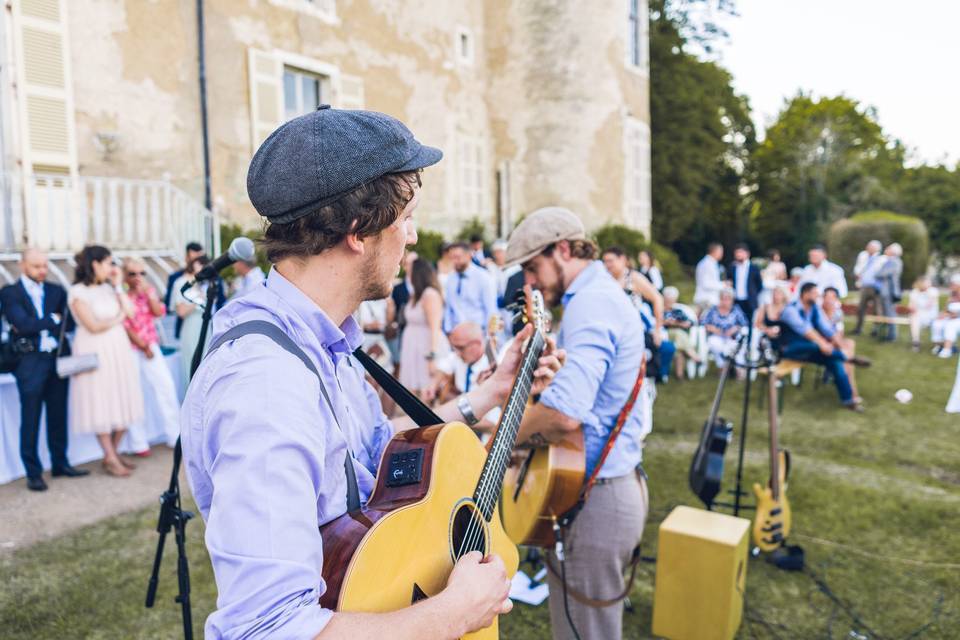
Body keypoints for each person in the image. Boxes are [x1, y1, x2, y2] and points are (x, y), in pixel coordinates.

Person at [180, 105, 563, 639]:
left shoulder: (324, 344)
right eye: (406, 218)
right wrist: (456, 613)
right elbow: (266, 630)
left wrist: (494, 389)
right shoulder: (266, 387)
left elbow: (383, 454)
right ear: (360, 229)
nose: (412, 237)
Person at [505, 206, 647, 640]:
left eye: (533, 267)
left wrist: (502, 437)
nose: (531, 282)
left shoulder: (592, 301)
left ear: (562, 250)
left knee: (586, 632)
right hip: (591, 490)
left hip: (599, 497)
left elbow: (566, 413)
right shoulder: (593, 297)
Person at [0, 248, 89, 491]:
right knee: (30, 418)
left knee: (58, 415)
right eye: (37, 266)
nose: (42, 270)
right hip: (29, 362)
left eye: (45, 266)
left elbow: (69, 322)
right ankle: (33, 472)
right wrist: (53, 320)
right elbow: (23, 324)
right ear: (22, 265)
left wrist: (47, 322)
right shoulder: (10, 293)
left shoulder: (56, 290)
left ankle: (60, 464)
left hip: (57, 359)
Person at [68, 246, 144, 477]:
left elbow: (131, 313)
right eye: (109, 262)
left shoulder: (110, 289)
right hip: (94, 351)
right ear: (95, 264)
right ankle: (110, 457)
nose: (113, 267)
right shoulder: (77, 292)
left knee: (123, 398)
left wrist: (118, 286)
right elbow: (92, 325)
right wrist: (118, 317)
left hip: (118, 350)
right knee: (100, 402)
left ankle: (114, 452)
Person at [122, 258, 181, 453]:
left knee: (165, 388)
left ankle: (175, 435)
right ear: (125, 276)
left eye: (142, 273)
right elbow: (123, 324)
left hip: (152, 345)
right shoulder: (121, 296)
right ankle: (138, 443)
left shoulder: (148, 292)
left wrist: (148, 294)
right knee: (134, 395)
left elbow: (159, 313)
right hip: (131, 349)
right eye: (133, 274)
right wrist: (141, 345)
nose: (138, 277)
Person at [779, 282, 868, 411]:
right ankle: (848, 358)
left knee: (834, 361)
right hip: (790, 348)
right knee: (816, 345)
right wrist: (822, 344)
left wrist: (839, 344)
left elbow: (826, 329)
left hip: (811, 350)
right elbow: (805, 330)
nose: (818, 297)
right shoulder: (791, 309)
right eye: (815, 294)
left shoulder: (814, 309)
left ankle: (849, 401)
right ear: (805, 294)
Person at [601, 246, 668, 380]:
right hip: (611, 332)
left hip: (633, 332)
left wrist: (657, 329)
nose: (607, 264)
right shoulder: (604, 280)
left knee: (636, 374)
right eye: (604, 261)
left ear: (622, 259)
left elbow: (657, 299)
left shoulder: (634, 278)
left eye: (610, 260)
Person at [399, 258, 446, 399]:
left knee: (427, 392)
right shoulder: (415, 295)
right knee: (413, 392)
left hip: (426, 346)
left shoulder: (430, 295)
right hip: (412, 347)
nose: (407, 272)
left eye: (410, 270)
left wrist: (432, 356)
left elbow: (435, 327)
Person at [441, 241, 498, 334]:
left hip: (479, 333)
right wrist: (448, 331)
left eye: (458, 257)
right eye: (452, 258)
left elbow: (491, 309)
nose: (454, 261)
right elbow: (449, 308)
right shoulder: (451, 278)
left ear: (469, 255)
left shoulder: (484, 277)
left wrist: (490, 336)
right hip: (456, 333)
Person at [172, 255, 211, 385]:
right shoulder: (181, 283)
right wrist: (198, 299)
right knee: (191, 364)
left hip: (207, 327)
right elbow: (181, 312)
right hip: (191, 327)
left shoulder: (206, 283)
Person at [822, 286, 862, 402]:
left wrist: (838, 343)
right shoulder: (818, 312)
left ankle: (850, 388)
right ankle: (852, 392)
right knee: (848, 356)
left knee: (850, 344)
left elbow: (840, 332)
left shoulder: (838, 313)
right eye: (827, 297)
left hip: (835, 342)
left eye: (832, 297)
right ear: (823, 298)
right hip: (823, 344)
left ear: (836, 299)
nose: (829, 300)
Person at [701, 288, 749, 373]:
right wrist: (713, 328)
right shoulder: (713, 310)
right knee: (714, 344)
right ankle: (723, 366)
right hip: (717, 336)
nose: (725, 301)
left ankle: (738, 369)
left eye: (727, 299)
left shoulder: (736, 310)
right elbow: (704, 322)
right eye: (723, 298)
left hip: (732, 337)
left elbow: (744, 323)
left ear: (732, 300)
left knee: (736, 346)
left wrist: (735, 328)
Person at [385, 250, 417, 372]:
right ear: (405, 266)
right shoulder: (397, 289)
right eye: (410, 263)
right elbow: (393, 312)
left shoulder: (425, 288)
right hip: (402, 334)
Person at [662, 286, 700, 380]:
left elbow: (689, 323)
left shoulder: (677, 311)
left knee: (678, 349)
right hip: (664, 334)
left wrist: (677, 323)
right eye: (668, 300)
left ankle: (680, 376)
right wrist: (668, 322)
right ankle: (693, 355)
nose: (670, 302)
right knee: (678, 333)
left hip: (677, 337)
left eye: (672, 300)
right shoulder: (659, 309)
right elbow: (657, 322)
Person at [852, 240, 885, 336]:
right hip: (864, 286)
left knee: (877, 309)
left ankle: (876, 329)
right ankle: (858, 328)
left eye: (871, 246)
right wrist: (857, 274)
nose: (868, 248)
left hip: (876, 287)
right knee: (860, 308)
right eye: (868, 246)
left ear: (877, 249)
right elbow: (858, 267)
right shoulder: (863, 255)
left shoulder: (881, 259)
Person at [874, 242, 903, 341]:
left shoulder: (894, 261)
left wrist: (877, 272)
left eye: (889, 248)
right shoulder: (890, 261)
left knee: (890, 314)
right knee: (887, 313)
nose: (887, 250)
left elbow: (881, 273)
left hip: (889, 292)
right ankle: (887, 334)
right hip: (886, 291)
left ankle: (892, 336)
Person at [729, 243, 763, 325]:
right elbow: (729, 281)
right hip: (736, 300)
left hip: (749, 300)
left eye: (741, 252)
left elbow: (759, 285)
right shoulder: (732, 267)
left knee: (750, 323)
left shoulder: (754, 268)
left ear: (747, 254)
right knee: (736, 323)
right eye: (737, 253)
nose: (739, 255)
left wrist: (753, 294)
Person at [908, 276, 940, 352]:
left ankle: (938, 345)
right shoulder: (914, 292)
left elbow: (929, 305)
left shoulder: (933, 291)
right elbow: (911, 306)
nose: (928, 284)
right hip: (918, 315)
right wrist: (912, 308)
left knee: (916, 318)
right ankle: (916, 342)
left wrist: (926, 292)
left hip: (931, 315)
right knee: (914, 319)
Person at [756, 285, 790, 350]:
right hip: (767, 338)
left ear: (784, 295)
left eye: (778, 293)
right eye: (774, 293)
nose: (775, 295)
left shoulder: (788, 308)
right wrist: (767, 330)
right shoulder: (765, 307)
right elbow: (758, 323)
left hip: (784, 340)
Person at [694, 242, 724, 310]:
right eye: (721, 251)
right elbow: (706, 284)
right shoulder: (707, 264)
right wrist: (723, 285)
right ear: (715, 251)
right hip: (707, 299)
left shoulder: (709, 263)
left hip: (707, 299)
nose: (722, 254)